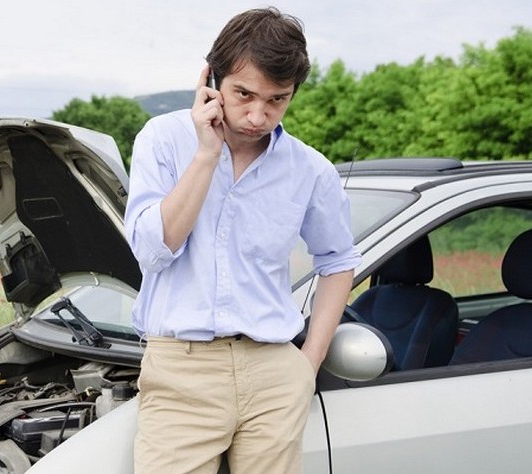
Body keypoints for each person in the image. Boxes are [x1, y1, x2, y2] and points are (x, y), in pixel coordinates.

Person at [123, 6, 362, 474]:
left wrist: (306, 366)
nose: (258, 115)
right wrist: (206, 155)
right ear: (211, 80)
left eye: (277, 99)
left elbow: (338, 261)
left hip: (274, 371)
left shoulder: (311, 169)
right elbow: (153, 250)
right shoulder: (163, 140)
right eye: (244, 94)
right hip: (181, 371)